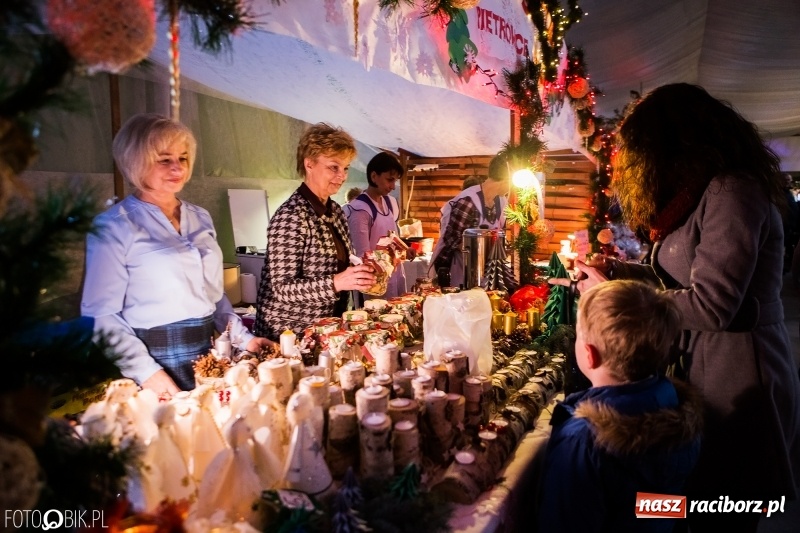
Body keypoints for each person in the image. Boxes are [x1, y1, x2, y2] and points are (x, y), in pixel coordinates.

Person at [553, 83, 800, 532]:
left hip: (739, 371)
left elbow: (712, 304)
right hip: (703, 362)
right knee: (693, 498)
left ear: (671, 140)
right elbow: (680, 279)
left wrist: (625, 299)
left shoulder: (733, 191)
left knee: (726, 505)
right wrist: (618, 270)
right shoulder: (700, 192)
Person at [81, 113, 274, 394]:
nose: (177, 168)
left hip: (207, 354)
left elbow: (212, 296)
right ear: (136, 162)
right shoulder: (115, 225)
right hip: (153, 361)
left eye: (183, 158)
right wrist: (149, 375)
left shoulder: (200, 217)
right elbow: (102, 315)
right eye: (164, 159)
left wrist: (245, 340)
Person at [538, 280, 702, 533]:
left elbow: (563, 521)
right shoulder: (675, 403)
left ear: (589, 354)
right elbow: (663, 506)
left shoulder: (583, 441)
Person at [253, 123, 376, 340]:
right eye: (334, 167)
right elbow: (282, 288)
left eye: (346, 168)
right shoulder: (291, 215)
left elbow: (331, 265)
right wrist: (337, 282)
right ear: (309, 164)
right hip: (289, 335)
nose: (342, 175)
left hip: (325, 329)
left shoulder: (335, 211)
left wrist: (360, 270)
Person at [431, 153, 510, 287]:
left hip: (487, 273)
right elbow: (451, 239)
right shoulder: (468, 201)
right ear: (506, 180)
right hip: (462, 273)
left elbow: (501, 232)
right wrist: (479, 247)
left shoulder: (501, 202)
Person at [346, 152, 415, 299]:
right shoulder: (360, 210)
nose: (392, 186)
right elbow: (361, 255)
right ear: (374, 176)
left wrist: (404, 249)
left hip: (394, 275)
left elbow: (391, 235)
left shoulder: (389, 203)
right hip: (373, 284)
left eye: (395, 180)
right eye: (389, 180)